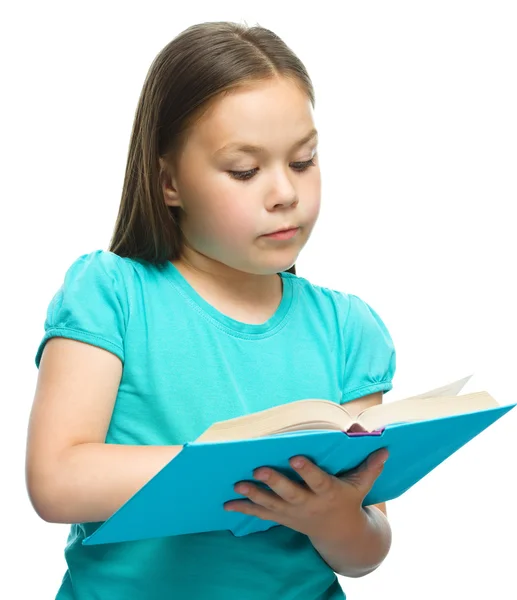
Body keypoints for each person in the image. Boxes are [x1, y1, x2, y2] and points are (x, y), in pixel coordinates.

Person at [26, 20, 396, 600]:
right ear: (169, 182)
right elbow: (57, 481)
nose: (285, 193)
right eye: (245, 171)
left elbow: (367, 547)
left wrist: (332, 517)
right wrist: (243, 466)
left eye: (303, 161)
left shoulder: (346, 329)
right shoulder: (111, 294)